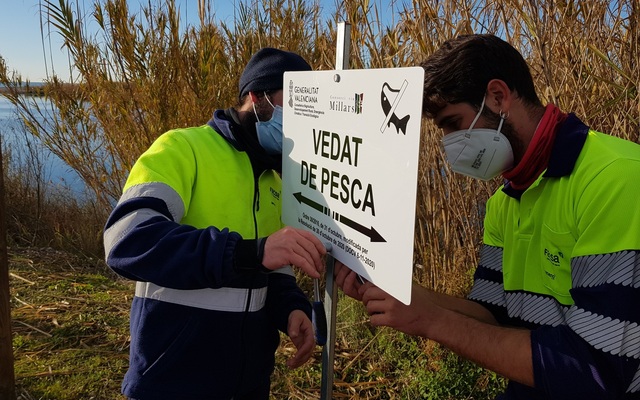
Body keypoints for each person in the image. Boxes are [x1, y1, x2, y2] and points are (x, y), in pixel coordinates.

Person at [336, 34, 640, 399]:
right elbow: (493, 316)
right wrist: (402, 296)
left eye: (454, 122)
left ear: (498, 97)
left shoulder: (616, 180)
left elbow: (596, 370)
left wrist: (431, 320)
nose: (449, 144)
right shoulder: (504, 201)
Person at [103, 48, 327, 400]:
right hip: (172, 380)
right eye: (295, 104)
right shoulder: (183, 147)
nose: (302, 119)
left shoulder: (277, 179)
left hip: (249, 382)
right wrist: (247, 253)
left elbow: (274, 268)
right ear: (257, 97)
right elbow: (127, 239)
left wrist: (291, 309)